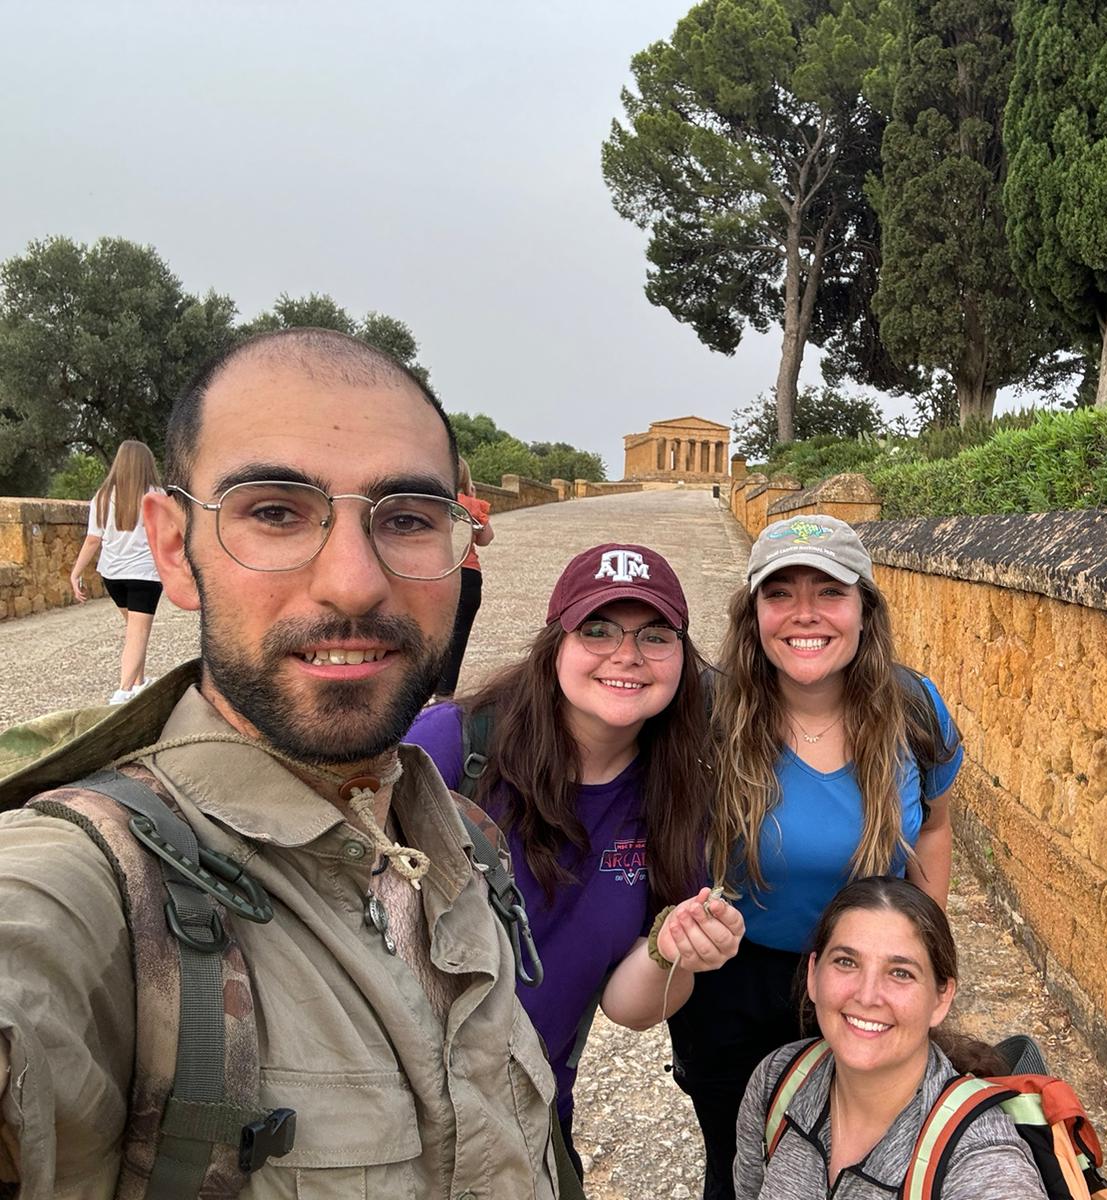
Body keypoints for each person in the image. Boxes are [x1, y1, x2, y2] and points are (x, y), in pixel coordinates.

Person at [0, 328, 561, 1197]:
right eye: (273, 511)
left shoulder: (463, 838)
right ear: (172, 545)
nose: (352, 582)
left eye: (408, 518)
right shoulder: (89, 888)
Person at [407, 542, 746, 1173]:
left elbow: (628, 1008)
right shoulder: (451, 748)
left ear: (682, 658)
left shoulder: (678, 795)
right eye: (597, 629)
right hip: (392, 1116)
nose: (627, 655)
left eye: (654, 635)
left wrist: (671, 952)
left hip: (529, 1116)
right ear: (554, 644)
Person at [670, 513, 964, 1199]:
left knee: (865, 1163)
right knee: (742, 1165)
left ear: (865, 607)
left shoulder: (915, 709)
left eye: (829, 592)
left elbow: (935, 829)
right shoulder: (709, 715)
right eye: (780, 594)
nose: (805, 615)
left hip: (861, 980)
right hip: (733, 988)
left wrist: (921, 951)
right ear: (754, 614)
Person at [733, 876, 1047, 1199]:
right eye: (846, 962)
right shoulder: (776, 1081)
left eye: (900, 973)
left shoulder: (983, 1164)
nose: (867, 996)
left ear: (941, 998)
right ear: (813, 975)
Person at [68, 438, 165, 703]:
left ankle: (139, 682)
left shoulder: (101, 497)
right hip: (144, 575)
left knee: (134, 629)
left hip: (113, 575)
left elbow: (92, 539)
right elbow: (168, 535)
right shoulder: (156, 495)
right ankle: (122, 692)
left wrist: (75, 573)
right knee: (138, 632)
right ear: (147, 464)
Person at [433, 454, 494, 699]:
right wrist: (472, 499)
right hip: (468, 574)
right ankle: (444, 696)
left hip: (439, 574)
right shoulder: (471, 504)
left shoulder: (433, 502)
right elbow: (486, 539)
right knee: (457, 639)